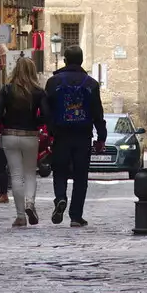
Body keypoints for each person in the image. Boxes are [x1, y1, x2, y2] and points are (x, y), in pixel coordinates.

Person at [45, 46, 106, 228]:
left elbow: (47, 109)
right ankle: (76, 216)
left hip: (61, 134)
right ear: (81, 60)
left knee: (60, 171)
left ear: (65, 60)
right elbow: (98, 112)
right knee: (81, 176)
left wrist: (50, 129)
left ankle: (61, 198)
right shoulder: (91, 84)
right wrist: (101, 137)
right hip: (83, 135)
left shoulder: (53, 82)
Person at [0, 57, 47, 228]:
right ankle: (30, 203)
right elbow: (46, 115)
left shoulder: (7, 89)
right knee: (30, 173)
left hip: (9, 134)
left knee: (16, 175)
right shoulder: (38, 91)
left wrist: (5, 121)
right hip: (30, 135)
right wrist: (35, 122)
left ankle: (20, 217)